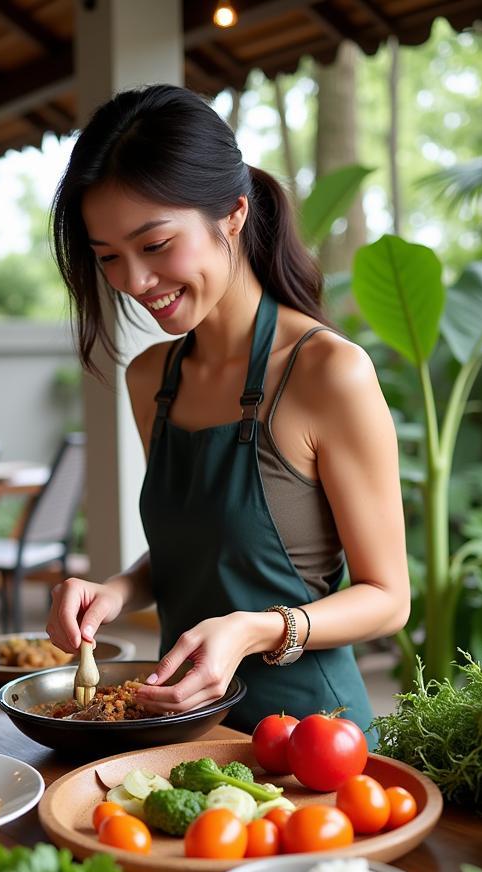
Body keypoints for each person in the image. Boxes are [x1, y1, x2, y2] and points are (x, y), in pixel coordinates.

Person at [46, 84, 409, 736]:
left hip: (312, 745)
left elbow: (388, 600)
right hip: (182, 734)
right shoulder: (151, 377)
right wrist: (119, 591)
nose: (133, 281)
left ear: (234, 214)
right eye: (108, 259)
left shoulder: (328, 373)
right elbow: (202, 553)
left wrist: (254, 629)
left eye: (154, 245)